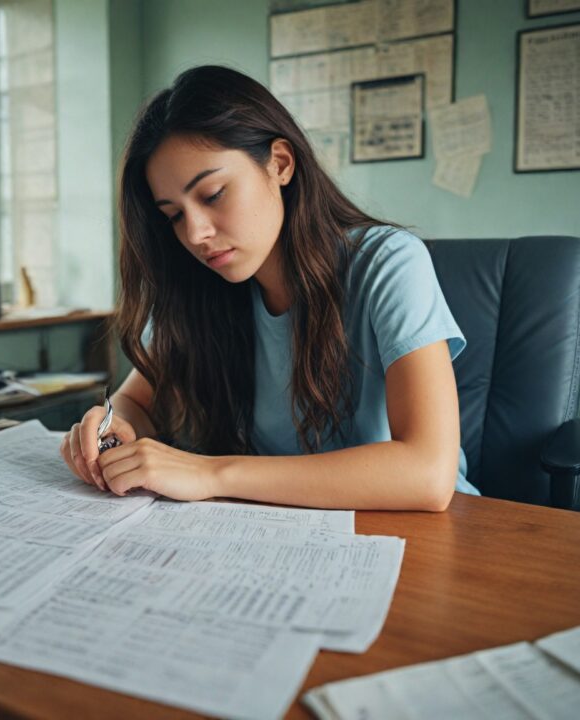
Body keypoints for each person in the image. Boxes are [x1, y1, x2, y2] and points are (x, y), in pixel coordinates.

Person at [60, 65, 478, 511]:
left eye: (213, 193)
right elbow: (137, 400)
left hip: (426, 532)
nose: (195, 233)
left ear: (279, 163)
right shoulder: (204, 285)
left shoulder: (389, 263)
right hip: (279, 526)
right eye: (174, 215)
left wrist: (209, 472)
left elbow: (428, 475)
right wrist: (111, 426)